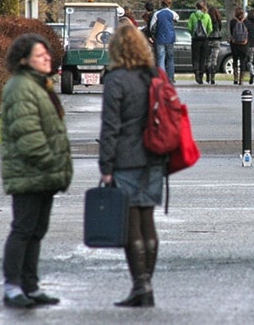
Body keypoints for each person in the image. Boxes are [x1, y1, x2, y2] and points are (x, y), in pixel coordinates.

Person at [0, 34, 73, 309]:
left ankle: (30, 285)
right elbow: (27, 134)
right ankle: (13, 286)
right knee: (23, 229)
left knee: (36, 230)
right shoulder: (21, 87)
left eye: (47, 54)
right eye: (39, 55)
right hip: (29, 172)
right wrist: (51, 163)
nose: (46, 58)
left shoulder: (40, 85)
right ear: (23, 60)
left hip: (42, 174)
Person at [98, 23, 167, 308]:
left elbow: (110, 126)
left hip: (126, 158)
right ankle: (146, 284)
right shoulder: (153, 76)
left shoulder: (116, 79)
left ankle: (140, 285)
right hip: (154, 156)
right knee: (148, 219)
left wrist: (106, 164)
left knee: (131, 224)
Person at [149, 0, 179, 82]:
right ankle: (171, 77)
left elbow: (152, 27)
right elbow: (177, 19)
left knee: (161, 58)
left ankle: (162, 77)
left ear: (162, 4)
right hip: (170, 38)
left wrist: (153, 35)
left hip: (160, 38)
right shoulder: (173, 13)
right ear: (170, 4)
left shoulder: (157, 14)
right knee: (170, 58)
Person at [187, 0, 212, 84]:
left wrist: (192, 34)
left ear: (196, 7)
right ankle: (201, 75)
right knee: (203, 58)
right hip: (204, 40)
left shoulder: (192, 15)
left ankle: (196, 70)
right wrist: (207, 34)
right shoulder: (206, 16)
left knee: (195, 56)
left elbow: (189, 27)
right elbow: (210, 28)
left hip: (195, 39)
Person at [228, 7, 249, 85]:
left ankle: (235, 78)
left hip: (234, 44)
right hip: (244, 44)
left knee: (235, 60)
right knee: (243, 61)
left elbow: (231, 31)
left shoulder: (233, 21)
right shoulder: (246, 22)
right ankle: (241, 79)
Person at [205, 5, 224, 84]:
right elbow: (220, 29)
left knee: (208, 59)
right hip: (217, 40)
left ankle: (207, 75)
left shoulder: (208, 19)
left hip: (209, 40)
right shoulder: (218, 20)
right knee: (214, 59)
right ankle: (213, 76)